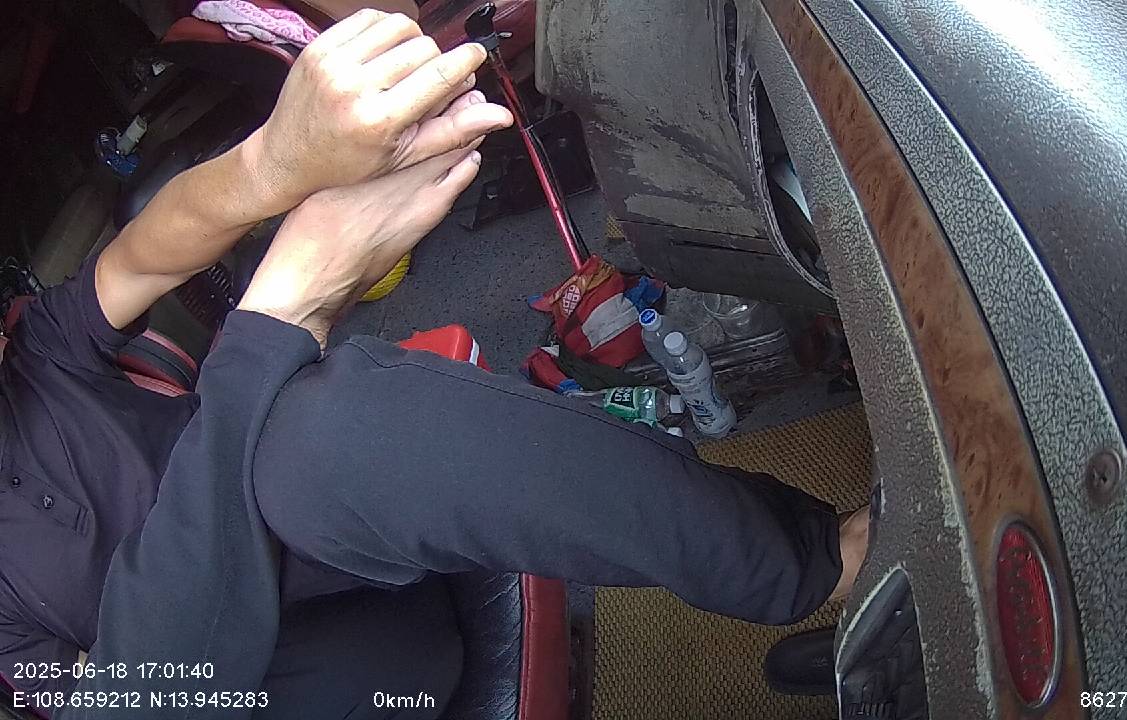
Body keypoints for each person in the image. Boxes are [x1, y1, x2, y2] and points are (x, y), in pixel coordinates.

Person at [0, 10, 870, 719]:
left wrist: (273, 165)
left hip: (346, 544)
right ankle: (821, 566)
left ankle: (821, 562)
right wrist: (274, 322)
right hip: (348, 680)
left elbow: (138, 259)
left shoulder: (27, 363)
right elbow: (141, 698)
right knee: (311, 434)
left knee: (318, 435)